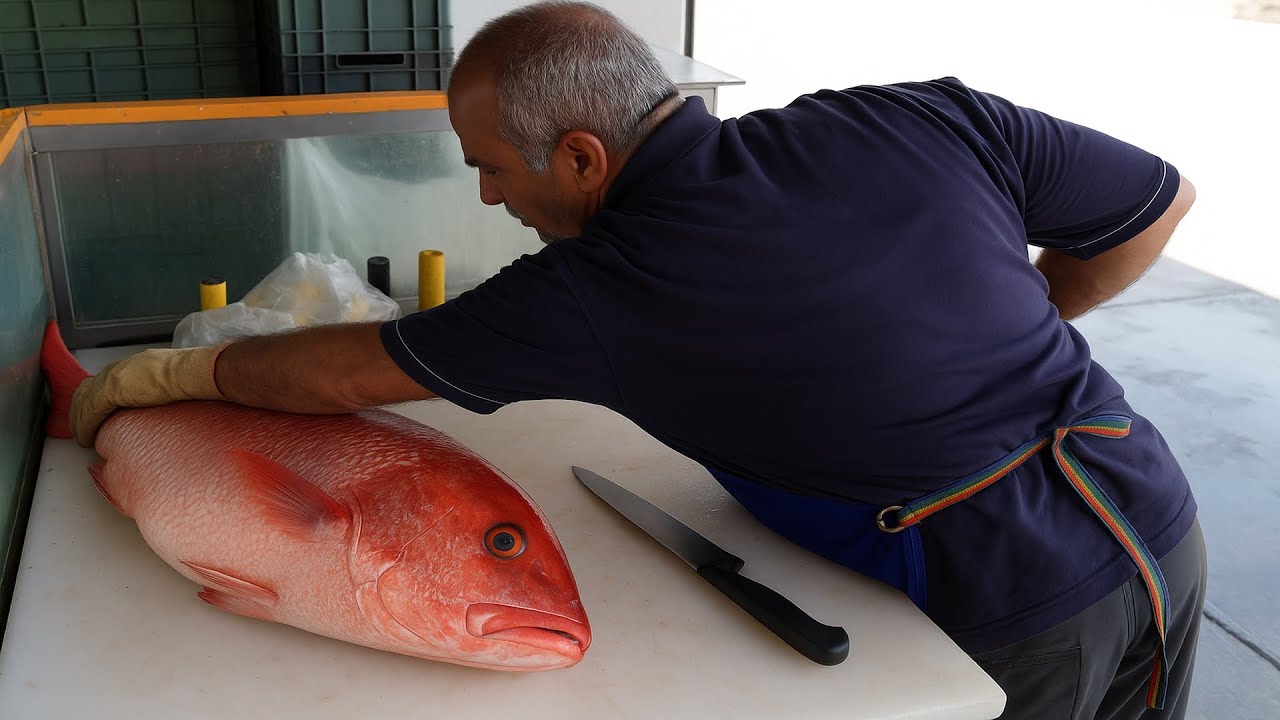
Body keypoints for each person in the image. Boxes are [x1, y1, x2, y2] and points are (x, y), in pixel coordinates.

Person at [68, 2, 1204, 718]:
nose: (486, 199)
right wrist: (1030, 327)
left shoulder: (596, 290)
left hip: (1009, 605)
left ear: (578, 155)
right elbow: (1154, 202)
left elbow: (332, 378)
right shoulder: (908, 114)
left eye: (491, 170)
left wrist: (155, 381)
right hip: (1155, 511)